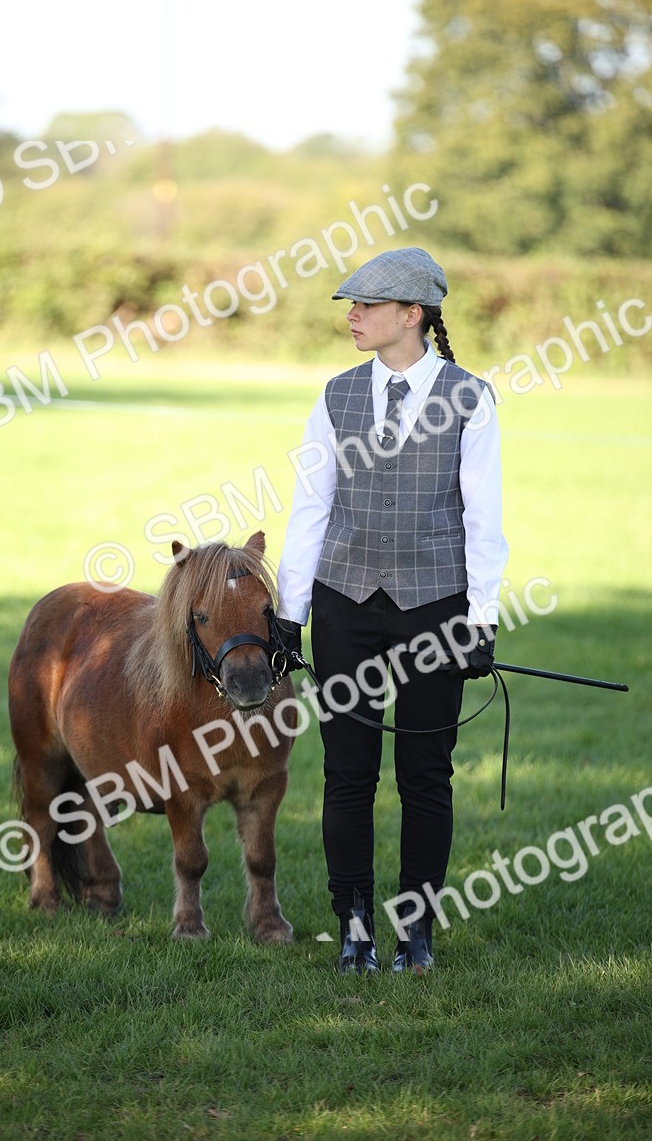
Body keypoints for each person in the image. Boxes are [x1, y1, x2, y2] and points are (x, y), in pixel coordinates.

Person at [276, 247, 508, 975]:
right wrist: (291, 611)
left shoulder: (470, 397)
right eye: (351, 305)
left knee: (424, 775)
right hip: (346, 604)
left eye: (367, 305)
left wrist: (481, 617)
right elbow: (311, 506)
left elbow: (484, 519)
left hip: (436, 608)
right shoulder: (336, 395)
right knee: (347, 774)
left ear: (412, 314)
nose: (352, 316)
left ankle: (416, 933)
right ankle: (353, 928)